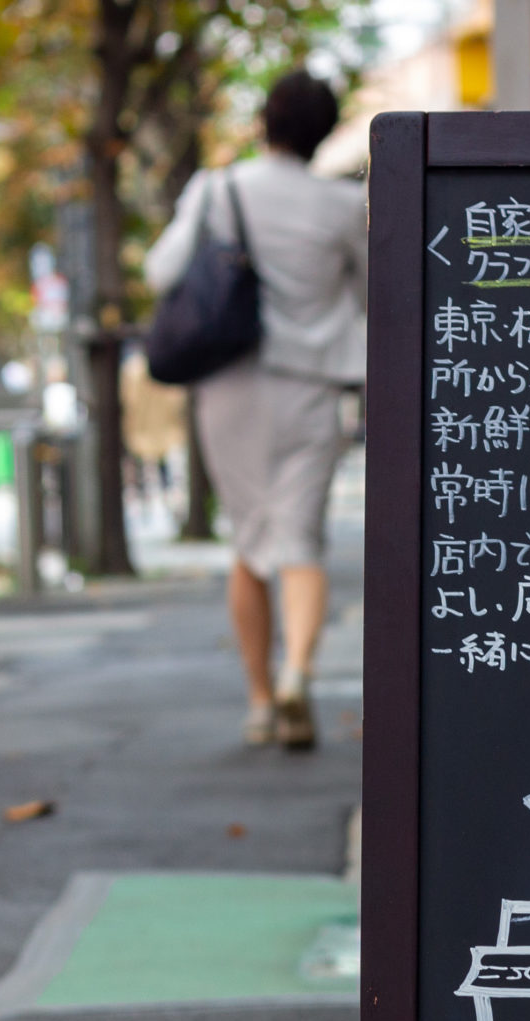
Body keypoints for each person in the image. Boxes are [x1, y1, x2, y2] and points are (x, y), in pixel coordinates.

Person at [144, 70, 363, 752]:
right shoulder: (344, 207)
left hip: (231, 386)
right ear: (324, 130)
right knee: (300, 539)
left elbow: (160, 271)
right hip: (313, 385)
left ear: (264, 122)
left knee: (249, 542)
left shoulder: (219, 189)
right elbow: (376, 292)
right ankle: (298, 670)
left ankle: (261, 701)